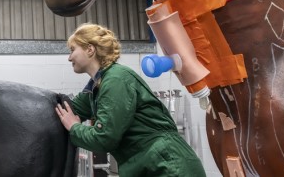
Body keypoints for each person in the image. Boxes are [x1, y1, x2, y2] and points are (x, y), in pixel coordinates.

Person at [55, 23, 205, 176]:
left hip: (167, 166)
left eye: (72, 50)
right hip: (148, 165)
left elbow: (104, 138)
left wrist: (74, 128)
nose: (69, 57)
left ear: (90, 49)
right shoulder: (96, 87)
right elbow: (69, 109)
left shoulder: (116, 79)